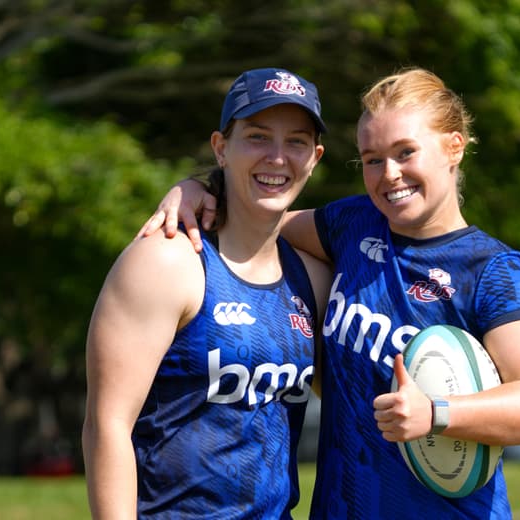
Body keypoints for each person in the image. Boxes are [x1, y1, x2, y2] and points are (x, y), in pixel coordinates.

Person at [140, 67, 520, 519]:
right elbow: (258, 220)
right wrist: (198, 190)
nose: (390, 174)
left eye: (406, 152)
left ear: (453, 148)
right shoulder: (354, 224)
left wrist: (436, 413)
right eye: (372, 159)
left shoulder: (494, 271)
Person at [82, 67, 332, 519]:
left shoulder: (312, 278)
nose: (277, 157)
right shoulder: (166, 262)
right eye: (257, 137)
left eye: (295, 141)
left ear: (314, 157)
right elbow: (107, 425)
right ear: (222, 148)